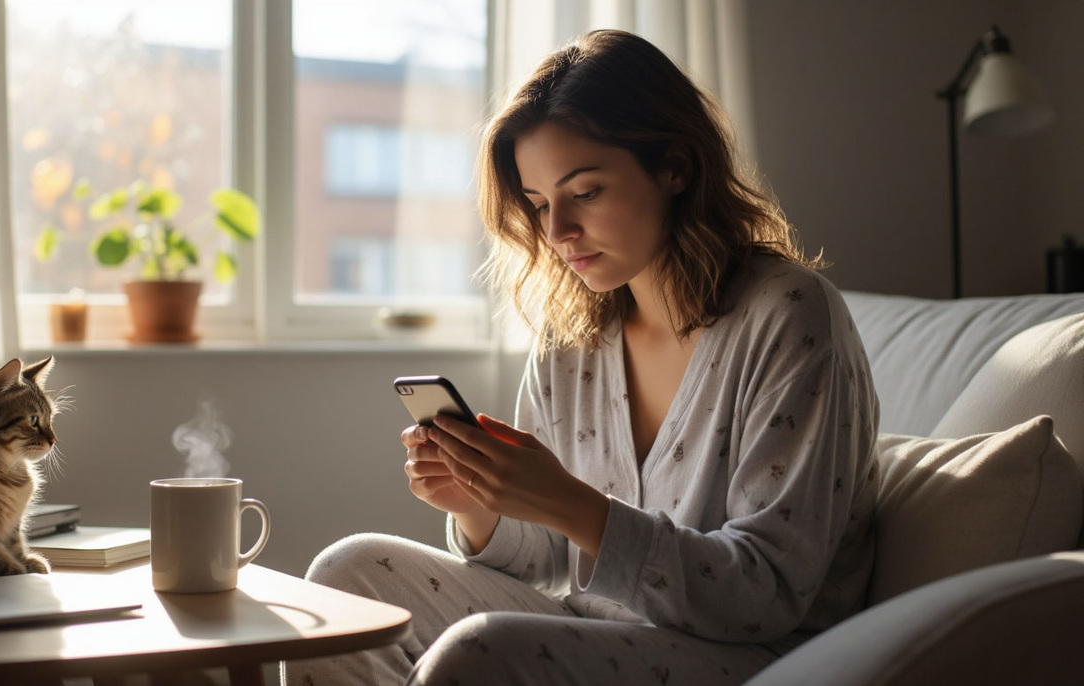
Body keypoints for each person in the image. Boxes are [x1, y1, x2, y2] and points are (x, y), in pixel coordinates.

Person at [284, 29, 878, 685]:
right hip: (600, 628)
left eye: (585, 192)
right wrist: (479, 504)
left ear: (676, 167)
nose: (557, 232)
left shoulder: (789, 315)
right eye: (539, 205)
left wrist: (570, 503)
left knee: (476, 653)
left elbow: (765, 594)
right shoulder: (572, 340)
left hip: (756, 658)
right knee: (345, 579)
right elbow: (545, 561)